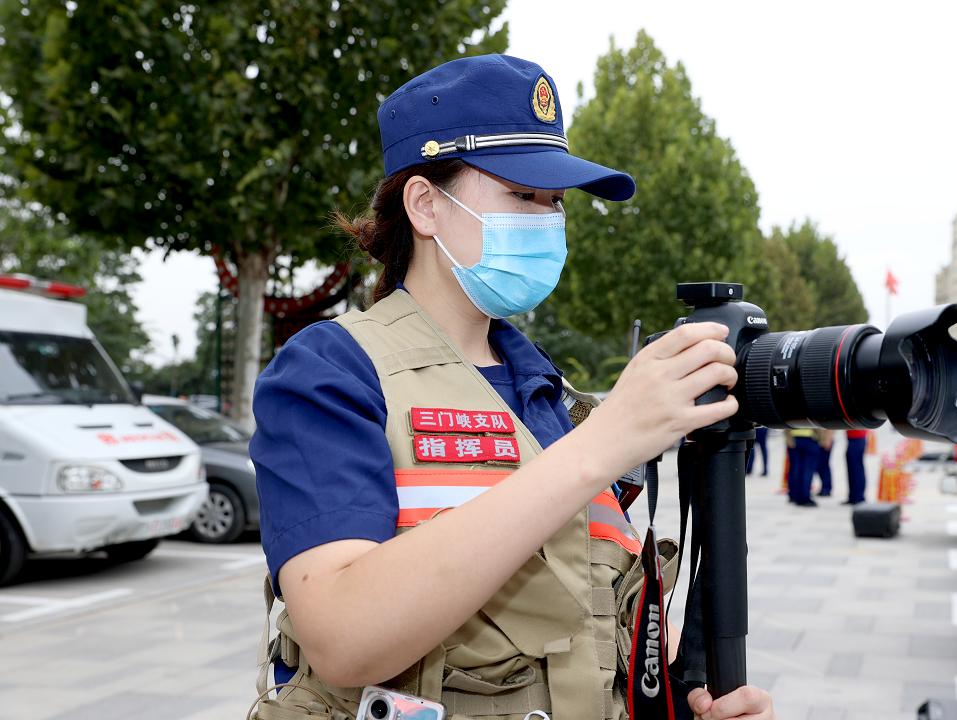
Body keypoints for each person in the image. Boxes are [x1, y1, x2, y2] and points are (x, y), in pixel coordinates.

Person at [248, 55, 774, 720]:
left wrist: (685, 704)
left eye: (556, 202)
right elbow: (343, 638)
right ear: (425, 205)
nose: (547, 219)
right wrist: (603, 446)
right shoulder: (332, 370)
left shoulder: (553, 402)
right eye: (523, 195)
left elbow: (599, 637)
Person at [786, 428, 818, 507]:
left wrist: (788, 438)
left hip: (794, 438)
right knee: (807, 470)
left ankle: (794, 495)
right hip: (809, 438)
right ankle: (804, 497)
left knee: (794, 469)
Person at [843, 429, 869, 505]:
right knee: (852, 470)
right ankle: (853, 496)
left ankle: (859, 497)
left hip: (858, 438)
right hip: (852, 438)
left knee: (856, 470)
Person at [813, 429, 834, 498]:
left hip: (825, 442)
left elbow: (830, 428)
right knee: (821, 466)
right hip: (820, 441)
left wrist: (828, 440)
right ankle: (825, 488)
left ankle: (826, 488)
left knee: (824, 466)